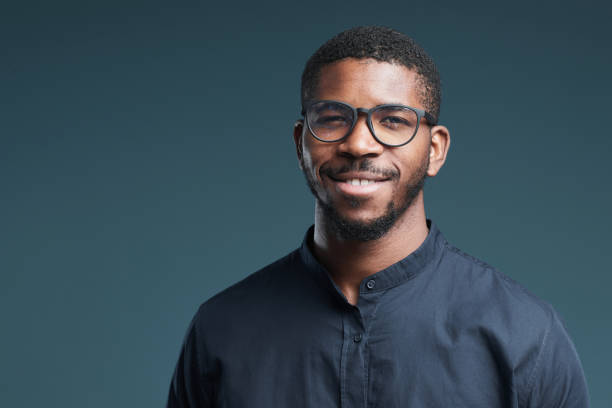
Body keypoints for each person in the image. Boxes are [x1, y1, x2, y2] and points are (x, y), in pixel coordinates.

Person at [167, 26, 589, 407]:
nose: (359, 144)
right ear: (301, 144)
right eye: (333, 119)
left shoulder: (527, 337)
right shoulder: (220, 329)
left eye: (391, 121)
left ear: (435, 150)